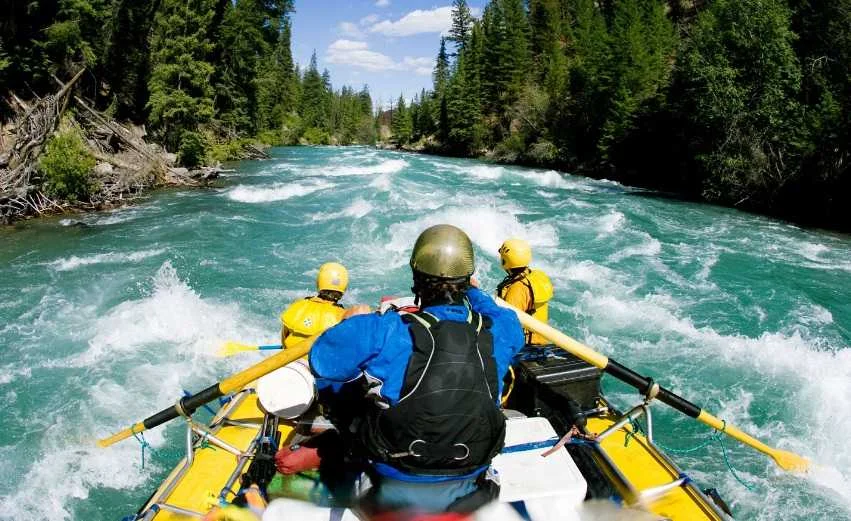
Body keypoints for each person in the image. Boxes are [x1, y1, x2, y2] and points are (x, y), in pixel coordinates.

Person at [307, 224, 525, 513]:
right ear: (467, 279)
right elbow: (501, 314)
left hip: (395, 470)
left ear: (416, 278)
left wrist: (351, 321)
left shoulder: (382, 329)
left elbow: (320, 360)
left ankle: (353, 467)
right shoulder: (504, 329)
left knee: (332, 386)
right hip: (471, 470)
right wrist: (474, 293)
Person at [496, 238, 554, 346]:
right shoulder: (536, 277)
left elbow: (508, 322)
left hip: (525, 346)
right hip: (541, 341)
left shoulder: (517, 289)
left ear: (505, 261)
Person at [280, 262, 348, 350]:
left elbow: (284, 340)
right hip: (317, 362)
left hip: (289, 361)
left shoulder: (298, 306)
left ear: (319, 282)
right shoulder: (343, 317)